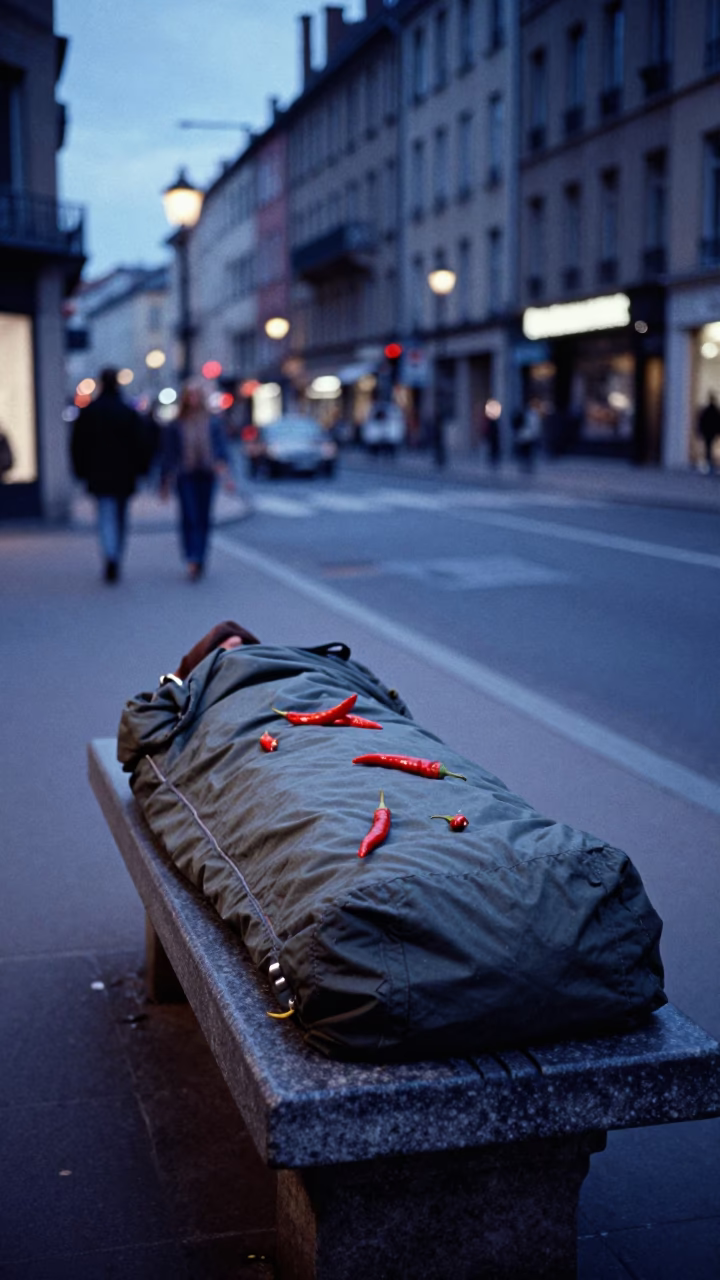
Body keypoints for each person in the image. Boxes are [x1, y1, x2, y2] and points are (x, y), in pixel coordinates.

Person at [70, 367, 153, 582]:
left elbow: (78, 445)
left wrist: (80, 471)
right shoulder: (127, 411)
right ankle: (115, 555)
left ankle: (111, 554)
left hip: (98, 473)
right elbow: (142, 444)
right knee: (120, 518)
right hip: (124, 474)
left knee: (106, 516)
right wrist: (142, 470)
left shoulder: (90, 412)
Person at [161, 381, 233, 580]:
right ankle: (191, 556)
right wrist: (164, 482)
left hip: (207, 474)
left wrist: (226, 475)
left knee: (203, 518)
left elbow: (221, 451)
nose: (192, 399)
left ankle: (200, 557)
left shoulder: (212, 422)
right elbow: (169, 455)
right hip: (185, 474)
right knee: (189, 517)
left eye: (195, 395)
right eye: (189, 395)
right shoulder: (177, 423)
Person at [697, 392, 720, 473]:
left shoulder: (708, 410)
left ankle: (709, 464)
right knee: (709, 448)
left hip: (708, 432)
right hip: (710, 432)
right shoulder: (714, 410)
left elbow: (702, 421)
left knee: (708, 448)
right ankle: (709, 464)